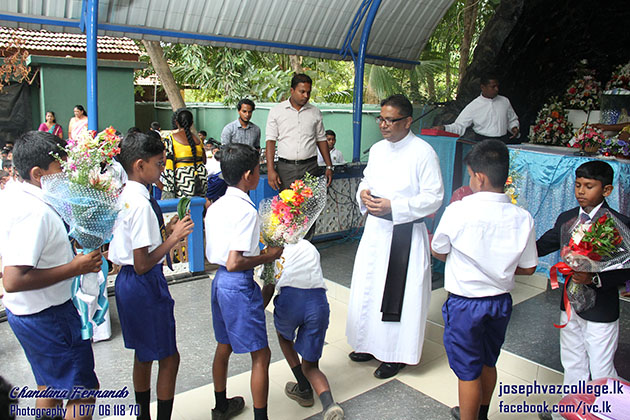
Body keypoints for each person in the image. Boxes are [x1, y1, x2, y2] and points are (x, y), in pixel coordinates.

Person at [431, 139, 538, 420]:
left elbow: (438, 249)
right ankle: (482, 415)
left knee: (467, 372)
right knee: (488, 361)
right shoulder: (522, 217)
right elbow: (528, 268)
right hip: (500, 303)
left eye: (469, 175)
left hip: (465, 305)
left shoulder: (458, 210)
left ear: (479, 177)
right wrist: (498, 268)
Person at [2, 131, 102, 419]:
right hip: (48, 316)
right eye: (60, 169)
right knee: (81, 391)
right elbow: (13, 279)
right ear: (37, 173)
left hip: (27, 314)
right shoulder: (35, 212)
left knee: (49, 385)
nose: (67, 175)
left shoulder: (13, 194)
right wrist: (75, 267)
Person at [346, 94, 444, 379]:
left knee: (400, 295)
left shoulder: (423, 152)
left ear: (408, 121)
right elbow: (367, 179)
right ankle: (367, 343)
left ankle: (394, 354)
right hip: (376, 231)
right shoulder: (377, 149)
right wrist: (362, 193)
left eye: (391, 120)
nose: (384, 125)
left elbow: (434, 197)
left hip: (404, 233)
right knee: (369, 288)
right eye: (381, 119)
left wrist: (396, 207)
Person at [108, 131, 194, 420]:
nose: (162, 170)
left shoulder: (124, 195)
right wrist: (174, 239)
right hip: (144, 284)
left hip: (126, 284)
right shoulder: (142, 204)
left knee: (143, 354)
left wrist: (165, 232)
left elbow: (136, 245)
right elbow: (143, 262)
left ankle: (143, 414)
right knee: (169, 357)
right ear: (140, 165)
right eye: (159, 164)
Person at [536, 160, 630, 420]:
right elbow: (544, 244)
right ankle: (570, 410)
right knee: (572, 359)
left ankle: (605, 414)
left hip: (601, 308)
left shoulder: (618, 224)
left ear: (607, 190)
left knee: (600, 367)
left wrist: (595, 279)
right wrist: (513, 253)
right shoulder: (567, 218)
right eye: (578, 185)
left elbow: (626, 269)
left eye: (589, 186)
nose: (581, 191)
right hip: (569, 304)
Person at [204, 143, 283, 420]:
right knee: (261, 354)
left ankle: (221, 405)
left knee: (223, 345)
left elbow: (225, 259)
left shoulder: (215, 206)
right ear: (248, 175)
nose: (260, 173)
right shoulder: (246, 211)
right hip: (237, 283)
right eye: (259, 169)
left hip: (219, 283)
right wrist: (268, 256)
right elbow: (235, 261)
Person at [273, 239, 344, 420]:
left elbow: (269, 285)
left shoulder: (274, 249)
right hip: (318, 304)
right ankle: (329, 405)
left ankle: (303, 388)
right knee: (311, 366)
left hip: (290, 301)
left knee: (283, 335)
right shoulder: (311, 248)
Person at [265, 74, 333, 190]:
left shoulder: (315, 112)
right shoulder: (276, 111)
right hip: (286, 169)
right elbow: (270, 141)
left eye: (308, 92)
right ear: (292, 91)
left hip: (310, 168)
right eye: (302, 92)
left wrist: (329, 166)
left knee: (310, 205)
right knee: (287, 205)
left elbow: (321, 140)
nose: (306, 96)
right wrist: (270, 170)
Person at [433, 75, 520, 143]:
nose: (496, 89)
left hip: (502, 141)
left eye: (497, 86)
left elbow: (512, 119)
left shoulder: (505, 101)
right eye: (493, 87)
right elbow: (459, 126)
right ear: (483, 87)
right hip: (482, 142)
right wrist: (444, 128)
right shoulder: (474, 106)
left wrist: (514, 128)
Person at [162, 108, 208, 199]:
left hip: (183, 179)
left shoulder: (171, 139)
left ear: (176, 122)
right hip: (201, 177)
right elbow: (204, 160)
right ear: (192, 123)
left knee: (183, 209)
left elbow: (166, 161)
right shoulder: (198, 140)